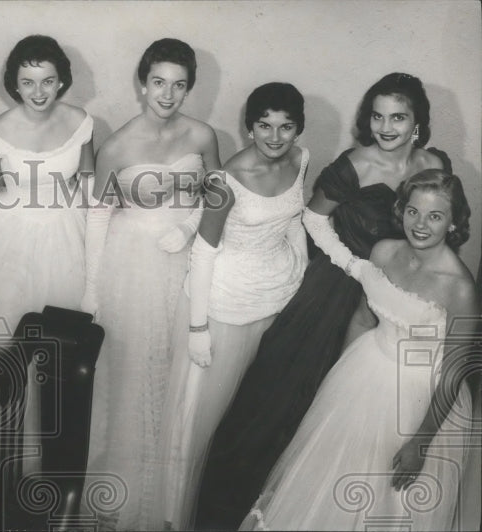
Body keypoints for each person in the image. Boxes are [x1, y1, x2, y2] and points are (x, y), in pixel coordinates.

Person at [194, 73, 452, 529]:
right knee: (292, 392)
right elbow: (312, 220)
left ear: (417, 124)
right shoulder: (355, 164)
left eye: (398, 117)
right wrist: (356, 267)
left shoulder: (433, 166)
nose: (386, 127)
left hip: (393, 296)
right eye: (377, 116)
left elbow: (438, 226)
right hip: (337, 286)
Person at [242, 169, 479, 530]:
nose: (421, 224)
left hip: (417, 401)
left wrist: (422, 441)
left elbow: (453, 372)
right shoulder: (384, 251)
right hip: (365, 369)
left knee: (385, 497)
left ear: (452, 223)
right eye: (413, 211)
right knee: (328, 478)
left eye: (435, 216)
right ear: (401, 210)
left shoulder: (460, 288)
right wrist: (337, 384)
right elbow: (364, 319)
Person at [80, 38, 219, 531]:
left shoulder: (203, 137)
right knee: (137, 370)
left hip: (186, 261)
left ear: (189, 90)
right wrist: (93, 288)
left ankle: (170, 496)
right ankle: (128, 493)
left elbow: (218, 197)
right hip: (132, 263)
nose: (168, 94)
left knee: (179, 370)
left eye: (179, 85)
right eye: (159, 82)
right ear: (143, 85)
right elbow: (98, 217)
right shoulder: (117, 144)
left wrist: (186, 227)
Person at [159, 82, 310, 529]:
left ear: (299, 129)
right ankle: (174, 517)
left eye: (286, 127)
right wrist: (197, 328)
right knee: (197, 422)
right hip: (223, 304)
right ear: (249, 127)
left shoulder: (303, 159)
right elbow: (204, 252)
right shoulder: (228, 179)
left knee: (247, 417)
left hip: (276, 297)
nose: (275, 137)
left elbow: (294, 216)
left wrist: (300, 264)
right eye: (264, 125)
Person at [0, 34, 93, 333]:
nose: (38, 92)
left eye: (47, 81)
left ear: (61, 81)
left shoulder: (81, 121)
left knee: (62, 328)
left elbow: (89, 184)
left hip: (68, 229)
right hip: (12, 233)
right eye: (27, 82)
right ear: (15, 84)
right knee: (11, 326)